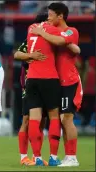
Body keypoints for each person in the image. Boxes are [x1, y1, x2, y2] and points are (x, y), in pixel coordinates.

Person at [30, 2, 82, 166]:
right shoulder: (51, 30)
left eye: (51, 14)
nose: (48, 17)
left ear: (60, 16)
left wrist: (41, 32)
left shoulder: (70, 31)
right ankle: (67, 156)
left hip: (69, 81)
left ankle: (72, 157)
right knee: (60, 119)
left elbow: (60, 41)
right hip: (55, 82)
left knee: (66, 118)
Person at [14, 12, 49, 166]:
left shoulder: (50, 41)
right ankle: (23, 157)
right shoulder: (30, 40)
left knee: (41, 122)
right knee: (27, 120)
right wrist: (31, 55)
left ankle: (37, 156)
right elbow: (16, 54)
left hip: (46, 84)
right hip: (30, 84)